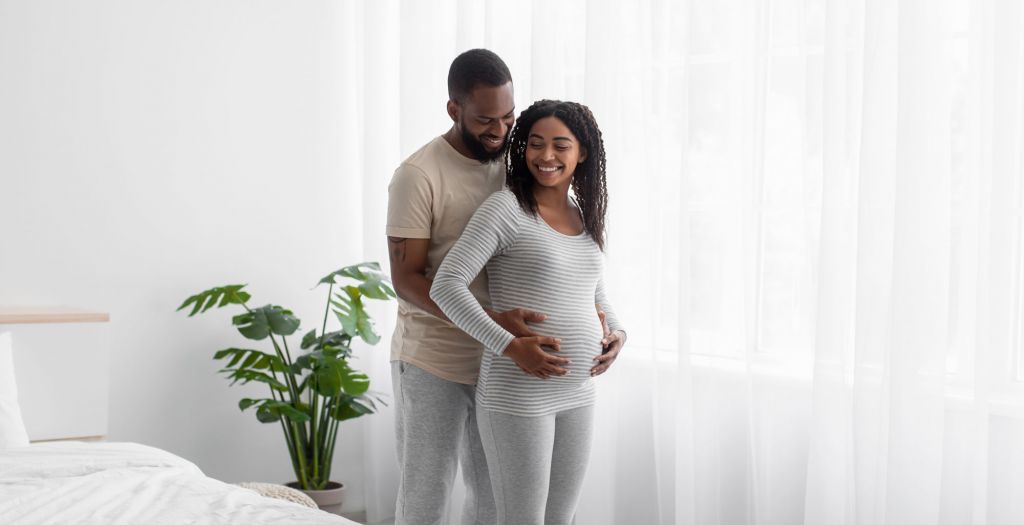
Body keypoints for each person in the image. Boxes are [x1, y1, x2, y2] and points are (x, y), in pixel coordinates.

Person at [430, 99, 627, 525]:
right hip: (517, 396)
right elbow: (446, 285)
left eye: (560, 145)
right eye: (535, 144)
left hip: (578, 393)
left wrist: (617, 334)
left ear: (583, 152)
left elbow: (595, 295)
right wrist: (510, 346)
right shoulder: (506, 209)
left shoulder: (583, 214)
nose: (546, 156)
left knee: (561, 518)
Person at [386, 49, 544, 525]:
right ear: (454, 109)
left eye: (508, 117)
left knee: (494, 498)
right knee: (426, 496)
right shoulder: (418, 176)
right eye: (485, 120)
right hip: (434, 360)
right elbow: (406, 279)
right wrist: (492, 323)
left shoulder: (515, 166)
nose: (499, 131)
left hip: (501, 363)